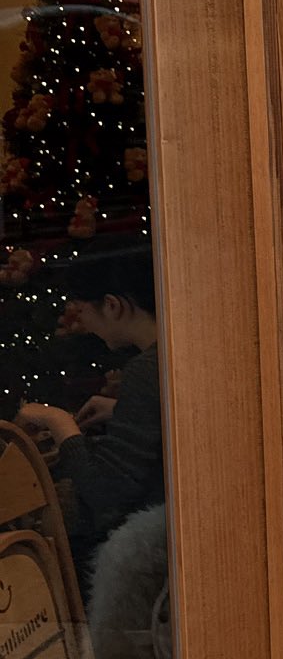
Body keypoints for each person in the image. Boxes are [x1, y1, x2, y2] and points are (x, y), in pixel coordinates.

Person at [16, 243, 163, 574]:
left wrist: (60, 423)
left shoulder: (147, 369)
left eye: (81, 310)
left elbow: (105, 491)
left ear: (112, 305)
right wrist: (121, 409)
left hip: (151, 549)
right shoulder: (170, 354)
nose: (80, 321)